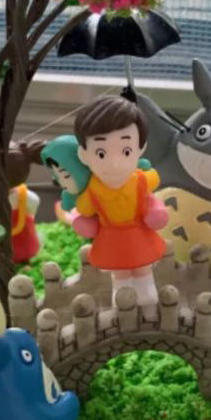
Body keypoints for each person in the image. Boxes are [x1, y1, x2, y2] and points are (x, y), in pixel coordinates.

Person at [73, 96, 168, 306]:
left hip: (139, 233)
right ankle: (121, 295)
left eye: (126, 151)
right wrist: (84, 223)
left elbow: (151, 197)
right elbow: (84, 210)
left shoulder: (142, 180)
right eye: (101, 153)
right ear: (84, 155)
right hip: (111, 237)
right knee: (120, 271)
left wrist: (155, 210)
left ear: (140, 148)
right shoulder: (92, 191)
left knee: (142, 266)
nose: (115, 164)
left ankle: (147, 293)